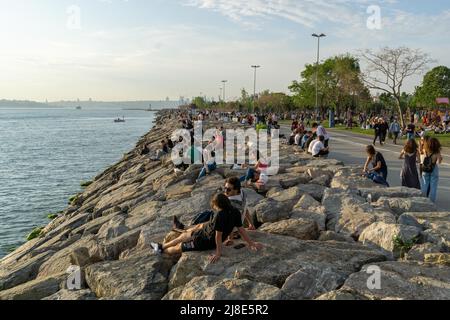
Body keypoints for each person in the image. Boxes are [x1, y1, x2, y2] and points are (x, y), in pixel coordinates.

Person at [151, 194, 263, 264]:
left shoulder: (220, 215)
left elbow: (218, 236)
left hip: (204, 241)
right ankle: (162, 246)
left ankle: (161, 251)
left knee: (178, 248)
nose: (213, 207)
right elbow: (241, 229)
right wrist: (251, 243)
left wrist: (218, 253)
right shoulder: (235, 211)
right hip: (202, 232)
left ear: (218, 205)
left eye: (214, 206)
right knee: (185, 234)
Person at [421, 138, 443, 203]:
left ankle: (423, 199)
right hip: (434, 168)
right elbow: (439, 161)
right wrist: (440, 158)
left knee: (424, 184)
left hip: (425, 167)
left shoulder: (425, 150)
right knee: (433, 186)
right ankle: (432, 201)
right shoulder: (437, 152)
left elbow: (423, 156)